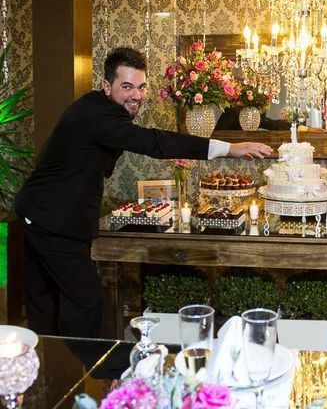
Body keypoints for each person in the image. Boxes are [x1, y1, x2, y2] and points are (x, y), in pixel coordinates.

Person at [14, 47, 273, 338]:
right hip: (53, 218)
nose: (135, 95)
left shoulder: (95, 107)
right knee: (85, 301)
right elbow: (155, 142)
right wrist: (230, 149)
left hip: (38, 210)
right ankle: (81, 372)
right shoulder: (100, 117)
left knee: (46, 301)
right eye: (126, 87)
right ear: (106, 86)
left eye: (141, 87)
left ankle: (48, 371)